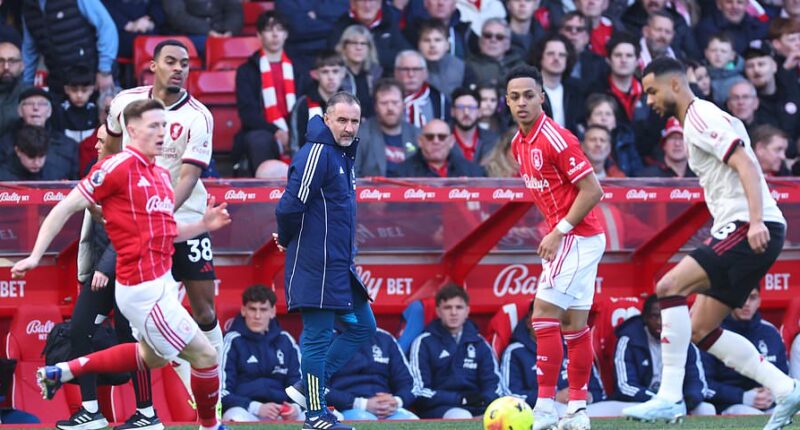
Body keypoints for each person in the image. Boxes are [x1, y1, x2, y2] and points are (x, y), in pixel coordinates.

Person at [11, 99, 231, 430]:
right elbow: (64, 208)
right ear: (131, 131)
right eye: (154, 126)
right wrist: (35, 255)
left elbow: (166, 232)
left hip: (162, 282)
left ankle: (65, 370)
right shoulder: (115, 168)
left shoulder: (158, 173)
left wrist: (204, 225)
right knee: (206, 356)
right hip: (142, 288)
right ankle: (210, 426)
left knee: (148, 356)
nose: (163, 133)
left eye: (165, 125)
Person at [623, 57, 800, 429]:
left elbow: (747, 165)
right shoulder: (700, 119)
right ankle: (786, 389)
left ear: (675, 85)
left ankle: (669, 399)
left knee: (668, 287)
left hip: (749, 224)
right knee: (700, 328)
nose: (650, 100)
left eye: (652, 91)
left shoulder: (701, 115)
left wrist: (754, 221)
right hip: (745, 224)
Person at [104, 39, 224, 395]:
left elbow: (189, 176)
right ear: (152, 65)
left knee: (204, 312)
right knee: (142, 323)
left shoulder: (199, 116)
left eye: (185, 63)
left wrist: (161, 213)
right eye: (171, 61)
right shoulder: (125, 103)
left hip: (184, 220)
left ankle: (217, 388)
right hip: (136, 227)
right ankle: (150, 409)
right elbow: (109, 149)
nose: (179, 68)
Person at [505, 64, 605, 430]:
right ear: (507, 101)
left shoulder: (557, 138)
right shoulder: (518, 143)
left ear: (542, 97)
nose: (521, 103)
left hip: (577, 236)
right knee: (574, 326)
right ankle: (577, 411)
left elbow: (593, 190)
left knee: (543, 314)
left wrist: (558, 230)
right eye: (514, 97)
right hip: (577, 238)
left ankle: (544, 409)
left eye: (529, 95)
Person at [274, 92, 376, 430]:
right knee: (317, 337)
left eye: (354, 121)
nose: (348, 128)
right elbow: (290, 205)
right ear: (327, 119)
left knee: (364, 327)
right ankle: (315, 416)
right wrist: (286, 238)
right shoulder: (317, 152)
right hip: (315, 265)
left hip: (339, 265)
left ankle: (309, 387)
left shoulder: (341, 153)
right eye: (342, 120)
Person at [56, 124, 162, 430]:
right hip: (100, 274)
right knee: (79, 330)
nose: (97, 146)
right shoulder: (97, 170)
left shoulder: (138, 173)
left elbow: (134, 227)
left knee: (133, 341)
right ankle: (91, 411)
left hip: (130, 271)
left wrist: (105, 266)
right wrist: (88, 270)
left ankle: (146, 414)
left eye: (103, 141)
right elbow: (92, 229)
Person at [409, 284, 503, 419]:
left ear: (467, 311)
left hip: (478, 406)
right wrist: (460, 399)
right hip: (440, 409)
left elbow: (495, 387)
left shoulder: (480, 343)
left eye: (459, 307)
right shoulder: (423, 342)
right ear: (438, 311)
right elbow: (419, 391)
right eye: (447, 307)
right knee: (462, 416)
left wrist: (483, 399)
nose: (453, 312)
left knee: (508, 415)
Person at [613, 294, 714, 416]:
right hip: (641, 401)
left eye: (666, 317)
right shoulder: (629, 340)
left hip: (677, 403)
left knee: (706, 409)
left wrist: (685, 401)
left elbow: (698, 384)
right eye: (655, 316)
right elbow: (625, 386)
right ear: (645, 317)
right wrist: (658, 401)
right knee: (626, 411)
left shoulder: (685, 341)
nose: (661, 322)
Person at [221, 284, 301, 422]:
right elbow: (221, 394)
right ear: (243, 310)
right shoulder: (232, 341)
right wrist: (256, 407)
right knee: (234, 417)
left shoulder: (286, 340)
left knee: (330, 418)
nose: (257, 316)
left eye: (263, 310)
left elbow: (300, 385)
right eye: (252, 309)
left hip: (281, 412)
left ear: (273, 312)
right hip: (246, 411)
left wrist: (295, 408)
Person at [702, 289, 790, 415]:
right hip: (730, 406)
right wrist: (742, 397)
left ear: (759, 301)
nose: (746, 303)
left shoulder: (770, 333)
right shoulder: (713, 333)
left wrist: (772, 394)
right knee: (753, 415)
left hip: (770, 404)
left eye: (752, 298)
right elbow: (704, 384)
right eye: (741, 297)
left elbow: (784, 375)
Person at [235, 11, 298, 174]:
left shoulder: (299, 67)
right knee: (259, 140)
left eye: (280, 29)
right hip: (264, 131)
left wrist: (293, 131)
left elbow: (306, 104)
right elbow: (248, 114)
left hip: (296, 127)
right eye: (269, 30)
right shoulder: (246, 70)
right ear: (259, 35)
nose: (275, 34)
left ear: (286, 34)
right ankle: (265, 192)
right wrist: (277, 131)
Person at [21, 0, 118, 94]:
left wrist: (104, 71)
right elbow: (29, 51)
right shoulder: (28, 7)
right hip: (59, 85)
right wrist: (25, 87)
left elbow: (107, 28)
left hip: (93, 80)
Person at [327, 328, 419, 420]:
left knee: (413, 422)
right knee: (364, 420)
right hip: (344, 408)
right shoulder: (324, 338)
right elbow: (316, 387)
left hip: (388, 408)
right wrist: (361, 403)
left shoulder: (385, 338)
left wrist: (396, 401)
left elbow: (409, 383)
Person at [355, 78, 419, 177]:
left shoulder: (417, 134)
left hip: (410, 191)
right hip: (374, 191)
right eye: (384, 103)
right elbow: (353, 175)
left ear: (403, 104)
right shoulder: (361, 135)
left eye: (395, 102)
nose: (390, 108)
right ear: (375, 106)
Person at [394, 119, 485, 177]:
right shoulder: (402, 174)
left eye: (442, 137)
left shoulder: (472, 172)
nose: (436, 141)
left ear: (451, 141)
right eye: (430, 137)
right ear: (420, 141)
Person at [335, 24, 382, 118]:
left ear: (369, 48)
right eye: (353, 43)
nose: (359, 48)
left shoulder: (376, 73)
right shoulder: (336, 73)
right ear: (344, 47)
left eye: (363, 43)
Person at [0, 124, 74, 181]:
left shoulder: (57, 175)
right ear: (18, 151)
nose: (37, 163)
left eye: (41, 156)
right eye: (31, 157)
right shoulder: (3, 177)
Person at [450, 87, 498, 164]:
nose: (466, 112)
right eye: (461, 107)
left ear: (479, 112)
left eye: (471, 107)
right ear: (452, 111)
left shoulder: (493, 141)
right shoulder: (442, 139)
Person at [0, 40, 27, 139]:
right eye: (0, 61)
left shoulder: (31, 96)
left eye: (12, 61)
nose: (6, 67)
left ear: (22, 65)